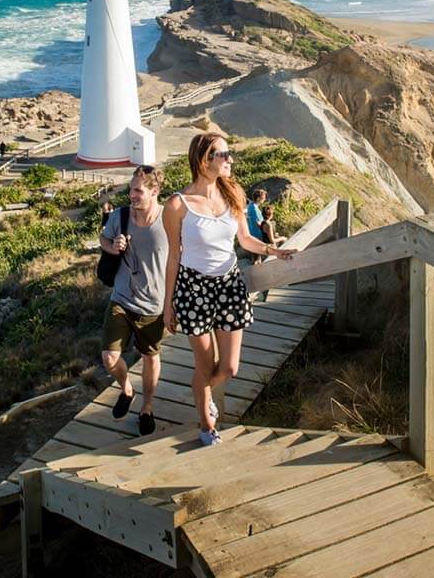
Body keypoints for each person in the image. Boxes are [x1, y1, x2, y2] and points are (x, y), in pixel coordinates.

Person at [163, 134, 295, 446]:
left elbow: (245, 240)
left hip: (230, 286)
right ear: (204, 160)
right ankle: (207, 426)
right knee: (205, 365)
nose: (230, 159)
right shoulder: (177, 205)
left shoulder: (233, 191)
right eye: (223, 154)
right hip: (193, 289)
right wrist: (168, 305)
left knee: (230, 368)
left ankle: (202, 391)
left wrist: (274, 251)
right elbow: (173, 257)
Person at [98, 166, 168, 435]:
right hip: (122, 297)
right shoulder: (120, 215)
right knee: (109, 357)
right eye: (130, 189)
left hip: (153, 304)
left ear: (154, 191)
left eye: (138, 190)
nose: (131, 195)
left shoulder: (168, 220)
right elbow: (103, 238)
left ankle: (147, 408)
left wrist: (172, 303)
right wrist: (112, 245)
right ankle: (126, 388)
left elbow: (178, 260)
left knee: (150, 357)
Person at [246, 189, 267, 264]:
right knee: (257, 257)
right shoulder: (255, 209)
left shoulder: (251, 205)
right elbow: (258, 223)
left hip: (252, 233)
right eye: (263, 198)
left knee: (255, 255)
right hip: (256, 234)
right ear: (258, 198)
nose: (264, 199)